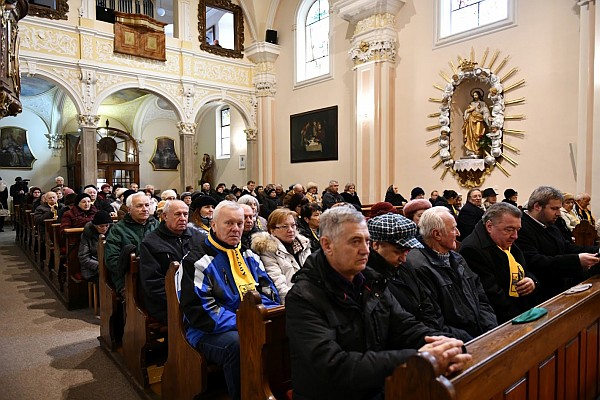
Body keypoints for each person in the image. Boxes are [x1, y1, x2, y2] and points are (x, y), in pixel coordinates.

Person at [285, 207, 471, 400]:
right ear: (327, 245)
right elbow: (333, 366)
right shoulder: (304, 297)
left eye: (366, 240)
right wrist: (420, 359)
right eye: (355, 241)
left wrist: (447, 345)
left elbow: (405, 327)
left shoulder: (370, 282)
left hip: (375, 389)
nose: (365, 249)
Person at [177, 201, 280, 400]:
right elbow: (201, 311)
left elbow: (268, 292)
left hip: (250, 321)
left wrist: (266, 317)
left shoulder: (248, 255)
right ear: (214, 225)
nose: (236, 229)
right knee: (239, 344)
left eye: (240, 224)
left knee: (282, 330)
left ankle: (272, 391)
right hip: (208, 331)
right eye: (229, 223)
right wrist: (246, 322)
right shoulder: (196, 261)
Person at [406, 206, 498, 341]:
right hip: (458, 342)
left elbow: (481, 299)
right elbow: (435, 322)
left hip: (480, 334)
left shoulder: (457, 258)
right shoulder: (418, 266)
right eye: (453, 229)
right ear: (437, 234)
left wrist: (489, 329)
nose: (458, 233)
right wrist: (472, 340)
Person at [367, 213, 455, 335]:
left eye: (407, 251)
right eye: (398, 251)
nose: (403, 258)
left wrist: (435, 334)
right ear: (376, 245)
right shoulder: (369, 277)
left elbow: (427, 304)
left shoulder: (406, 266)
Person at [515, 186, 599, 301]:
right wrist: (576, 260)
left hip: (563, 284)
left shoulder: (549, 223)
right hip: (543, 291)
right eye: (554, 209)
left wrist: (597, 250)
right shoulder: (520, 227)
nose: (559, 213)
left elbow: (567, 247)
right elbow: (535, 261)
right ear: (537, 206)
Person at [459, 203, 539, 323]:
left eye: (517, 230)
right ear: (489, 226)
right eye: (510, 229)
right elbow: (492, 295)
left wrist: (532, 281)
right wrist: (522, 319)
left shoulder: (502, 239)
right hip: (502, 320)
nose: (515, 236)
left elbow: (524, 268)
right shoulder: (472, 250)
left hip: (520, 308)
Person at [139, 200, 205, 325]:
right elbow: (152, 283)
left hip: (198, 297)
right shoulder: (151, 243)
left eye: (185, 214)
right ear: (164, 216)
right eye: (177, 214)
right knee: (202, 318)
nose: (183, 218)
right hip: (166, 302)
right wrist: (182, 299)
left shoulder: (199, 238)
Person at [105, 191, 160, 295]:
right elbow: (112, 260)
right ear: (129, 209)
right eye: (139, 206)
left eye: (147, 205)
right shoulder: (118, 230)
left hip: (154, 274)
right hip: (127, 276)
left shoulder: (156, 225)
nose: (145, 209)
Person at [251, 208, 311, 303]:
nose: (291, 230)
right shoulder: (268, 250)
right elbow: (279, 285)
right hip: (294, 301)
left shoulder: (303, 244)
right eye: (285, 227)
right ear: (272, 230)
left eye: (293, 225)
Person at [78, 210, 113, 284]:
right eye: (101, 226)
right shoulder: (87, 235)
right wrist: (100, 266)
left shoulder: (112, 233)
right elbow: (83, 257)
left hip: (109, 266)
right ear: (95, 226)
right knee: (107, 281)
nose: (104, 228)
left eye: (107, 225)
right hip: (92, 270)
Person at [462, 88, 490, 157]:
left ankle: (478, 149)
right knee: (471, 134)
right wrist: (468, 113)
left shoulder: (483, 103)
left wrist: (488, 116)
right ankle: (472, 149)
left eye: (476, 95)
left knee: (478, 134)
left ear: (479, 95)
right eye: (474, 95)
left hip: (479, 120)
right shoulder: (471, 103)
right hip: (471, 120)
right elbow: (467, 111)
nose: (475, 96)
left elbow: (485, 111)